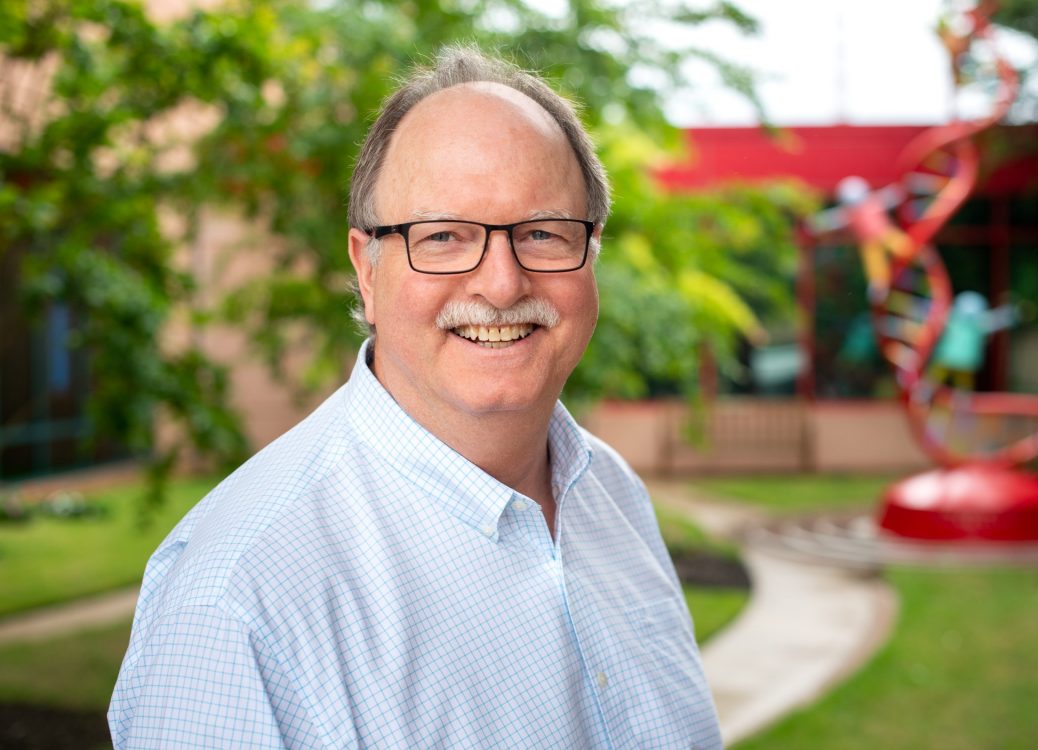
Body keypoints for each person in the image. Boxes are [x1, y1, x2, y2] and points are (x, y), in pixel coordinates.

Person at [108, 47, 721, 748]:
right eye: (443, 236)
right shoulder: (236, 601)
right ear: (366, 272)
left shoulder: (610, 493)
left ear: (592, 251)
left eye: (543, 233)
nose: (500, 284)